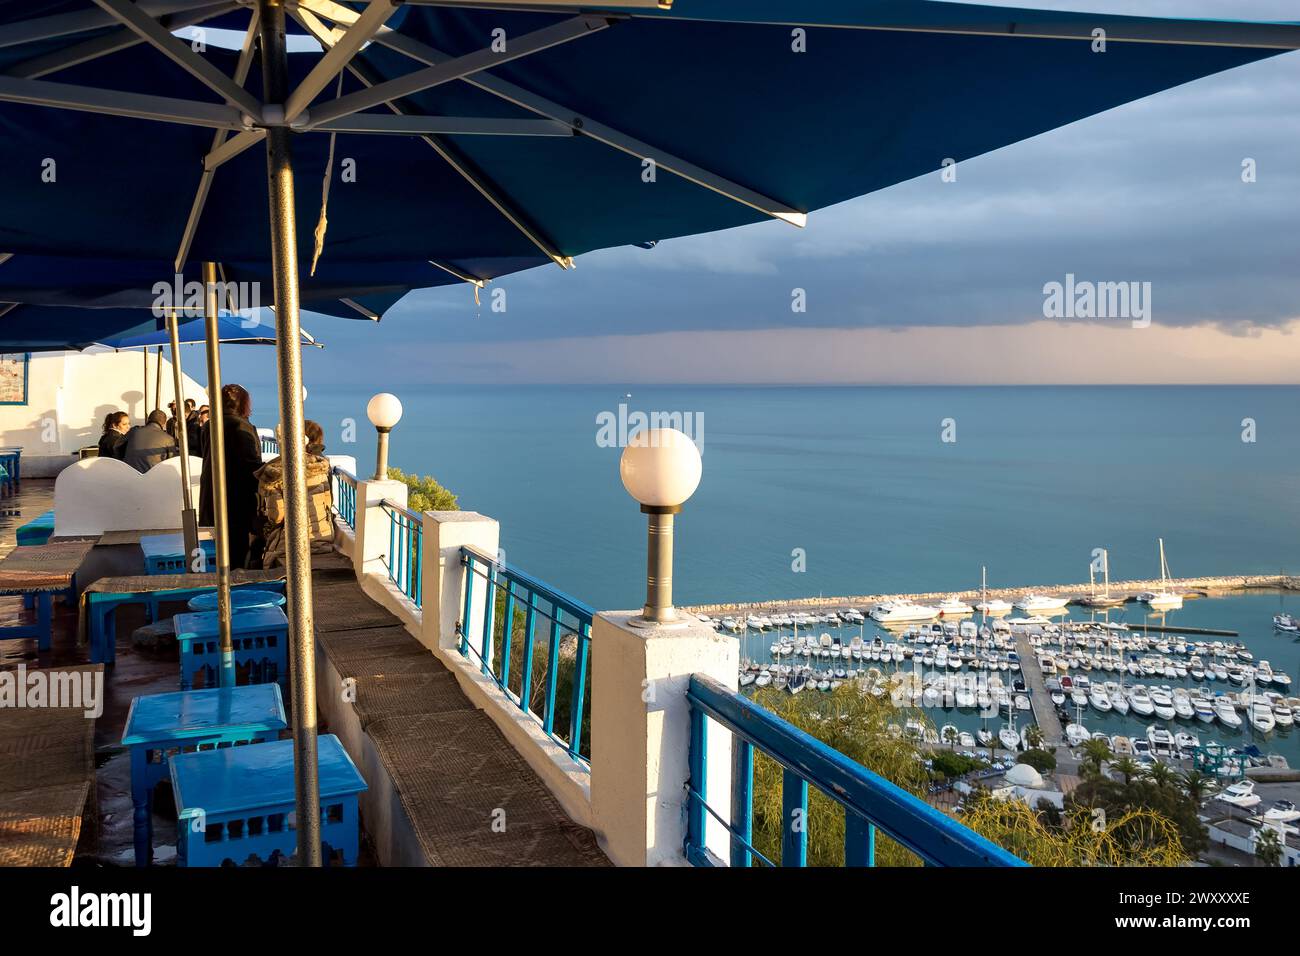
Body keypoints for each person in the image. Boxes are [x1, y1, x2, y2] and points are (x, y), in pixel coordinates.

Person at [252, 419, 335, 569]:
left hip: (288, 545)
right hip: (321, 541)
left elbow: (277, 516)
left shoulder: (275, 473)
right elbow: (328, 504)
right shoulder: (322, 468)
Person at [199, 384, 263, 569]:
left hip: (212, 493)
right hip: (235, 498)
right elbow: (250, 465)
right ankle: (232, 589)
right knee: (236, 549)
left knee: (219, 548)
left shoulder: (211, 424)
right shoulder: (240, 427)